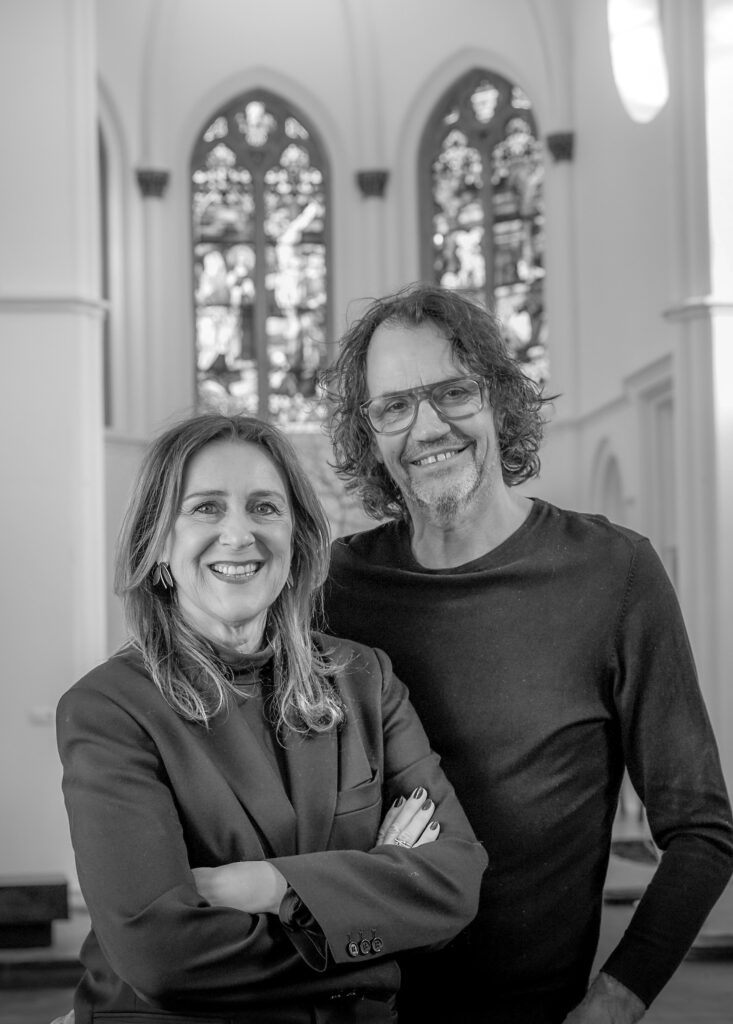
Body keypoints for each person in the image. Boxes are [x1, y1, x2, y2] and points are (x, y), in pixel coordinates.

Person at [320, 283, 733, 1024]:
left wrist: (613, 1003)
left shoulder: (612, 573)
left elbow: (701, 831)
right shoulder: (333, 588)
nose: (427, 427)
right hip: (353, 1009)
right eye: (394, 406)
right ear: (368, 432)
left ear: (500, 399)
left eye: (453, 392)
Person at [55, 412, 487, 1024]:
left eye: (264, 507)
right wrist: (375, 941)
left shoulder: (365, 679)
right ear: (159, 545)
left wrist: (269, 885)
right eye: (205, 508)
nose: (239, 534)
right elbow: (162, 958)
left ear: (296, 538)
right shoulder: (109, 708)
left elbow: (456, 881)